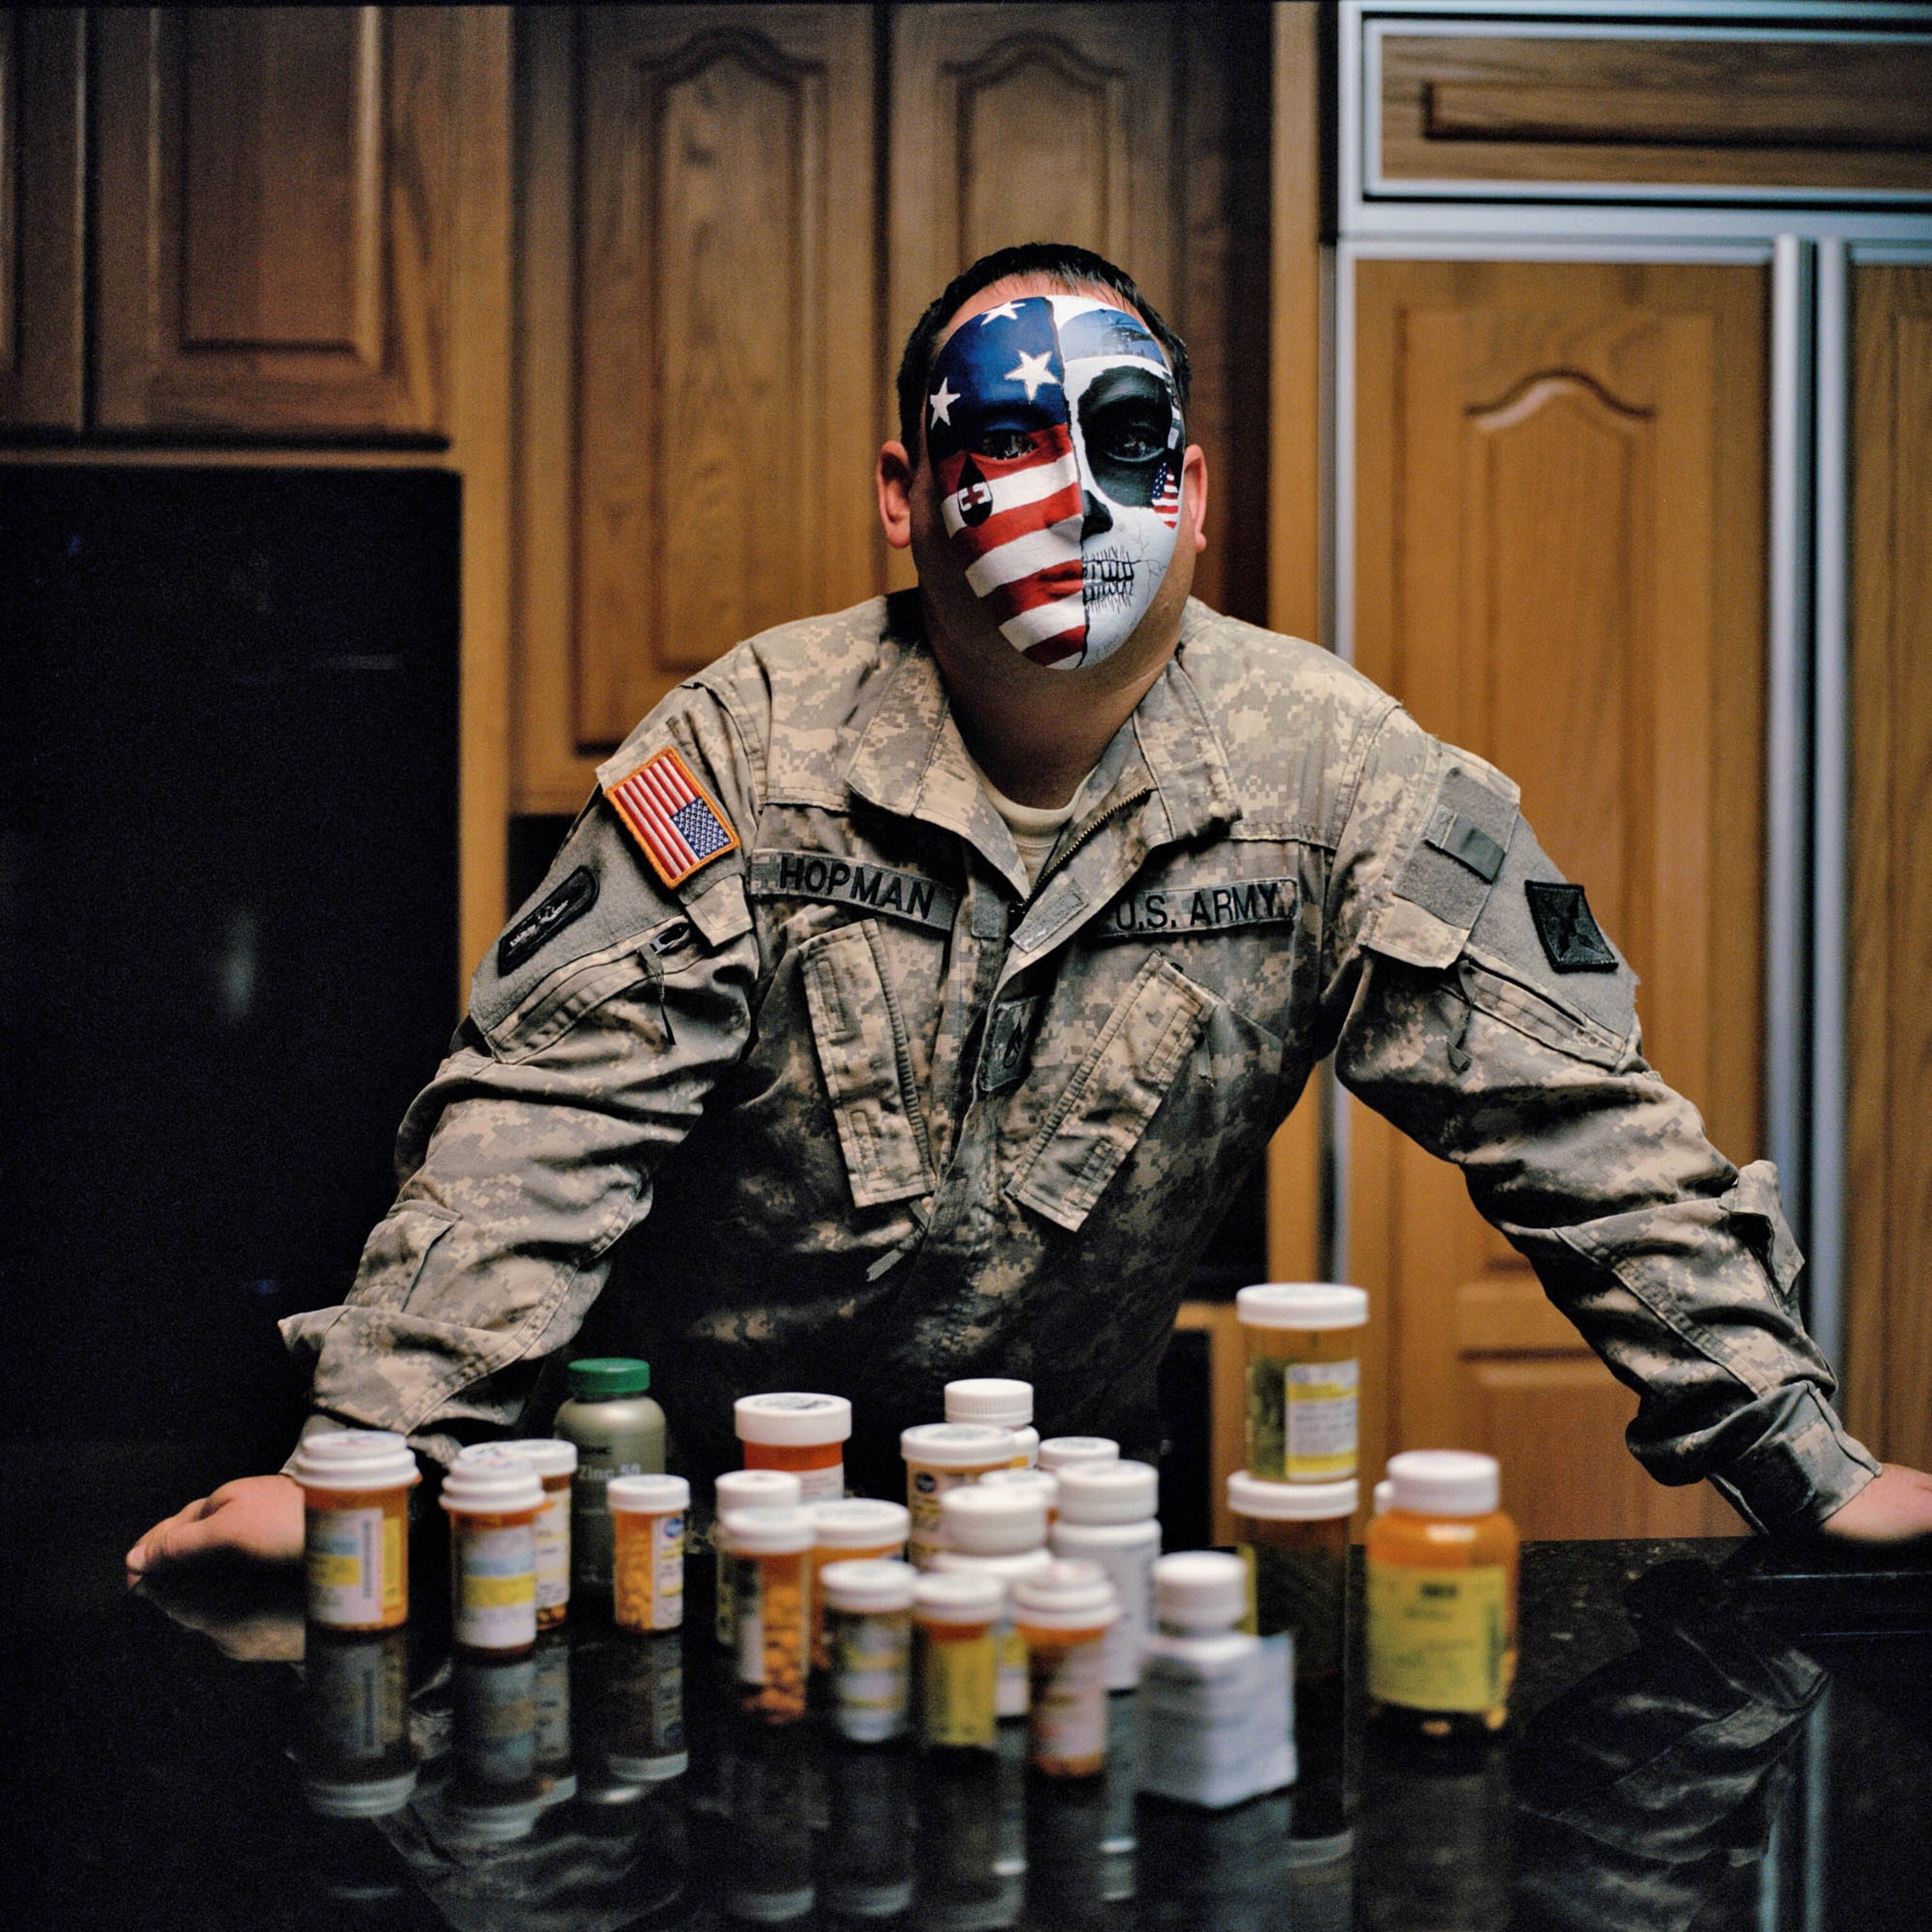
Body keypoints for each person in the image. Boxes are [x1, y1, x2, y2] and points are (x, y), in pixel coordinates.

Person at [129, 243, 1932, 1577]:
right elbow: (540, 1122)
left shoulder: (1339, 777)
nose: (1070, 492)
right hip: (674, 1544)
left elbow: (1577, 1119)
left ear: (1195, 495)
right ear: (904, 498)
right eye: (998, 438)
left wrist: (1809, 1465)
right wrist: (353, 1466)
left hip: (1058, 1546)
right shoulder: (746, 750)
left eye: (1126, 435)